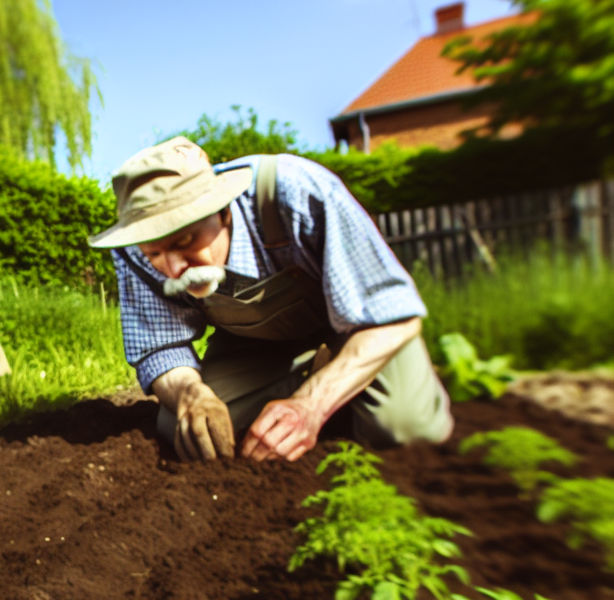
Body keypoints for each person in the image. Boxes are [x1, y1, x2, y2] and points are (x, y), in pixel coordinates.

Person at [88, 136, 453, 463]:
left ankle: (336, 381)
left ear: (224, 213)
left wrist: (311, 405)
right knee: (185, 427)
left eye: (185, 242)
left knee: (404, 429)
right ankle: (311, 376)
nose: (173, 267)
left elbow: (392, 314)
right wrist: (192, 395)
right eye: (155, 253)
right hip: (258, 344)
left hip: (359, 328)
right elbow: (160, 347)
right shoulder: (135, 248)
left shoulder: (296, 193)